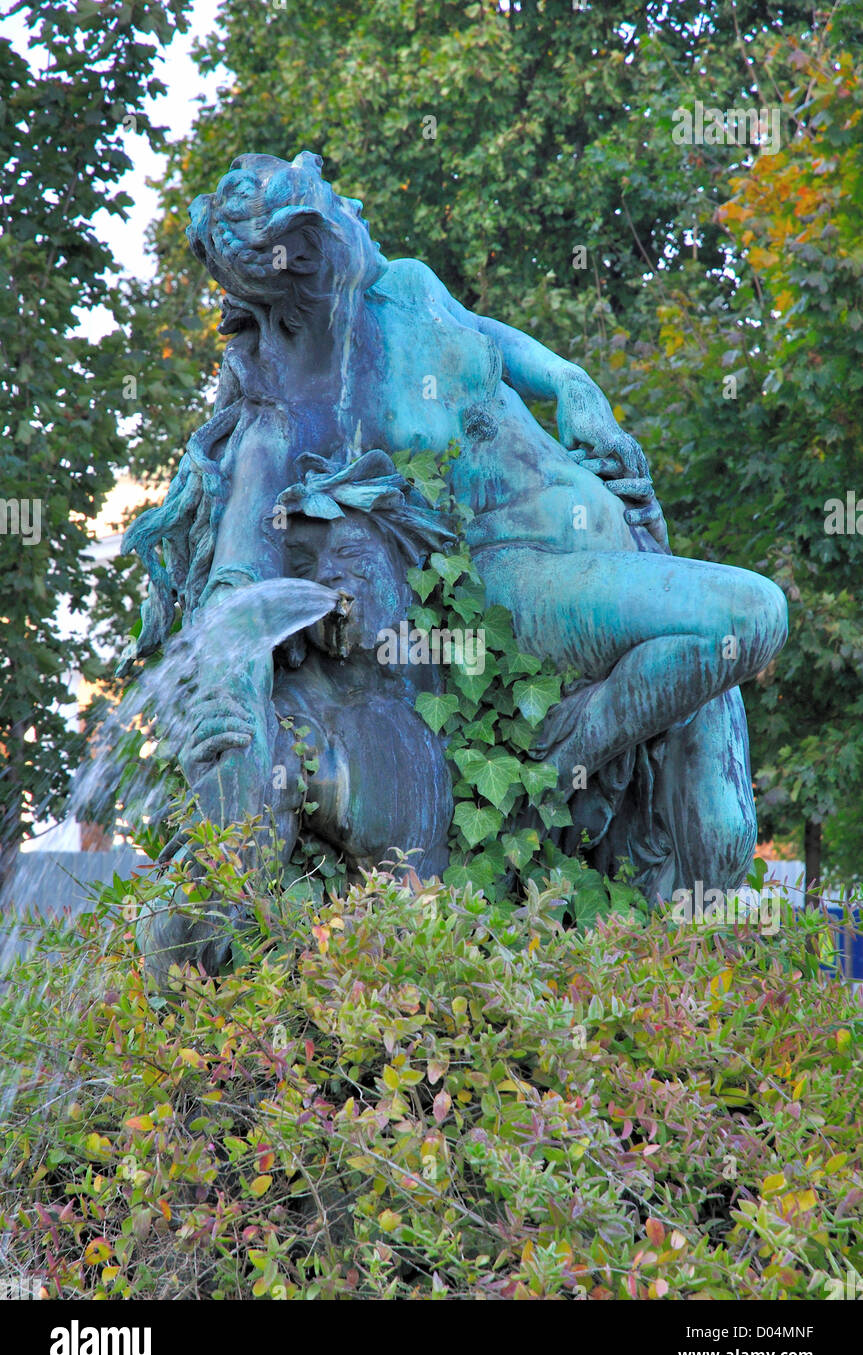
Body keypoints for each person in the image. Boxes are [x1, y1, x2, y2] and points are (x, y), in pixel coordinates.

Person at [123, 150, 788, 901]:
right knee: (752, 615)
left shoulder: (406, 286)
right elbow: (238, 579)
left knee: (721, 842)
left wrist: (573, 385)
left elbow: (490, 340)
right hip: (526, 581)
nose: (358, 208)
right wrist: (230, 689)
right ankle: (561, 754)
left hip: (622, 550)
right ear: (306, 252)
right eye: (338, 203)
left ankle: (677, 993)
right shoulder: (295, 412)